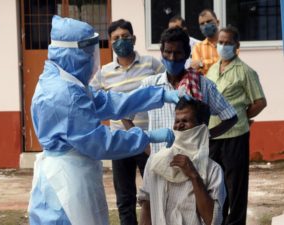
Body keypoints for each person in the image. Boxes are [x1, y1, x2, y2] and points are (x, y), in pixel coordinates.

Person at [28, 15, 183, 225]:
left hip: (66, 172)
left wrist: (157, 95)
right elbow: (101, 143)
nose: (92, 59)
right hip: (67, 181)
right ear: (75, 53)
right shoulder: (65, 94)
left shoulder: (62, 80)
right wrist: (146, 137)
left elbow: (106, 102)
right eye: (89, 53)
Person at [90, 19, 164, 225]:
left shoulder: (151, 64)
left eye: (125, 37)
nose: (121, 41)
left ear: (134, 39)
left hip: (149, 140)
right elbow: (91, 101)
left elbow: (165, 90)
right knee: (125, 198)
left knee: (155, 193)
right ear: (110, 42)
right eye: (116, 38)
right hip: (120, 142)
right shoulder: (104, 73)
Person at [141, 27, 237, 154]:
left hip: (193, 161)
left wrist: (205, 135)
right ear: (161, 53)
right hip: (159, 162)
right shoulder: (150, 85)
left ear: (187, 54)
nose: (172, 58)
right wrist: (144, 145)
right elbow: (126, 115)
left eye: (178, 53)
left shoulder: (203, 85)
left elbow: (231, 117)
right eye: (168, 52)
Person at [207, 25, 267, 225]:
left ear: (236, 46)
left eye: (228, 43)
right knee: (217, 184)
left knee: (236, 186)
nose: (223, 46)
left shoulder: (245, 71)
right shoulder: (213, 69)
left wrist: (241, 116)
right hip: (213, 135)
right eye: (220, 42)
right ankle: (220, 221)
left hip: (235, 135)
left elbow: (259, 102)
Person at [138, 98, 226, 225]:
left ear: (202, 126)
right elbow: (146, 204)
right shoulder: (155, 162)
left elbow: (212, 220)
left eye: (185, 121)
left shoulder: (213, 170)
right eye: (177, 121)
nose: (179, 126)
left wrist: (194, 176)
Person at [191, 9, 220, 75]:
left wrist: (201, 63)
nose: (206, 25)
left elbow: (229, 64)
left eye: (209, 21)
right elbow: (195, 68)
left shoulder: (228, 43)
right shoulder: (198, 47)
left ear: (218, 22)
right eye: (202, 24)